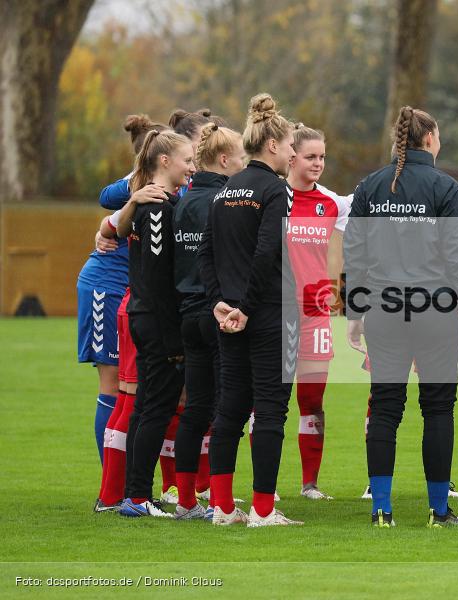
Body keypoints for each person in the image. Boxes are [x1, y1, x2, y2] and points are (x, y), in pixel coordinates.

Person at [343, 105, 458, 527]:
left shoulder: (370, 186)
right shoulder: (444, 187)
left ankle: (381, 510)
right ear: (430, 139)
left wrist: (355, 311)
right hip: (436, 312)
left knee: (385, 409)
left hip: (384, 312)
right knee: (438, 409)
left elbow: (356, 253)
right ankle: (439, 511)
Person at [198, 93, 300, 527]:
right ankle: (262, 510)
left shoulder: (224, 192)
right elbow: (266, 253)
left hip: (228, 316)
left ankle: (222, 508)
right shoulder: (276, 190)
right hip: (268, 314)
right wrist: (244, 306)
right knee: (272, 409)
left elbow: (204, 252)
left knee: (230, 408)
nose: (294, 152)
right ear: (273, 145)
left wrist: (220, 301)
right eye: (291, 144)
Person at [78, 115, 167, 468]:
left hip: (138, 294)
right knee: (114, 385)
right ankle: (111, 482)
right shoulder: (138, 184)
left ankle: (132, 480)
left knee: (137, 388)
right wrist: (114, 219)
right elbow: (105, 197)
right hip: (108, 287)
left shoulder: (180, 187)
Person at [118, 130, 196, 518]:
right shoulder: (157, 207)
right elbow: (157, 276)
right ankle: (135, 496)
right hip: (156, 319)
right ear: (165, 161)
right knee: (155, 409)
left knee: (147, 406)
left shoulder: (153, 203)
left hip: (147, 315)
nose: (192, 167)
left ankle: (136, 495)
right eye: (187, 159)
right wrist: (174, 337)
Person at [170, 123, 246, 520]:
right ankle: (220, 502)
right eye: (240, 156)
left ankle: (185, 501)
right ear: (223, 160)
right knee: (224, 410)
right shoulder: (224, 200)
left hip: (187, 315)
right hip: (217, 313)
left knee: (196, 408)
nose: (244, 163)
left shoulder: (182, 201)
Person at [285, 123, 352, 501]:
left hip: (315, 315)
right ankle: (268, 485)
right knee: (268, 402)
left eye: (322, 157)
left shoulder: (331, 203)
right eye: (310, 157)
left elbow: (337, 252)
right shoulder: (275, 197)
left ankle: (309, 484)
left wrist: (335, 292)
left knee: (312, 401)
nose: (318, 163)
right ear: (291, 157)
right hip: (277, 314)